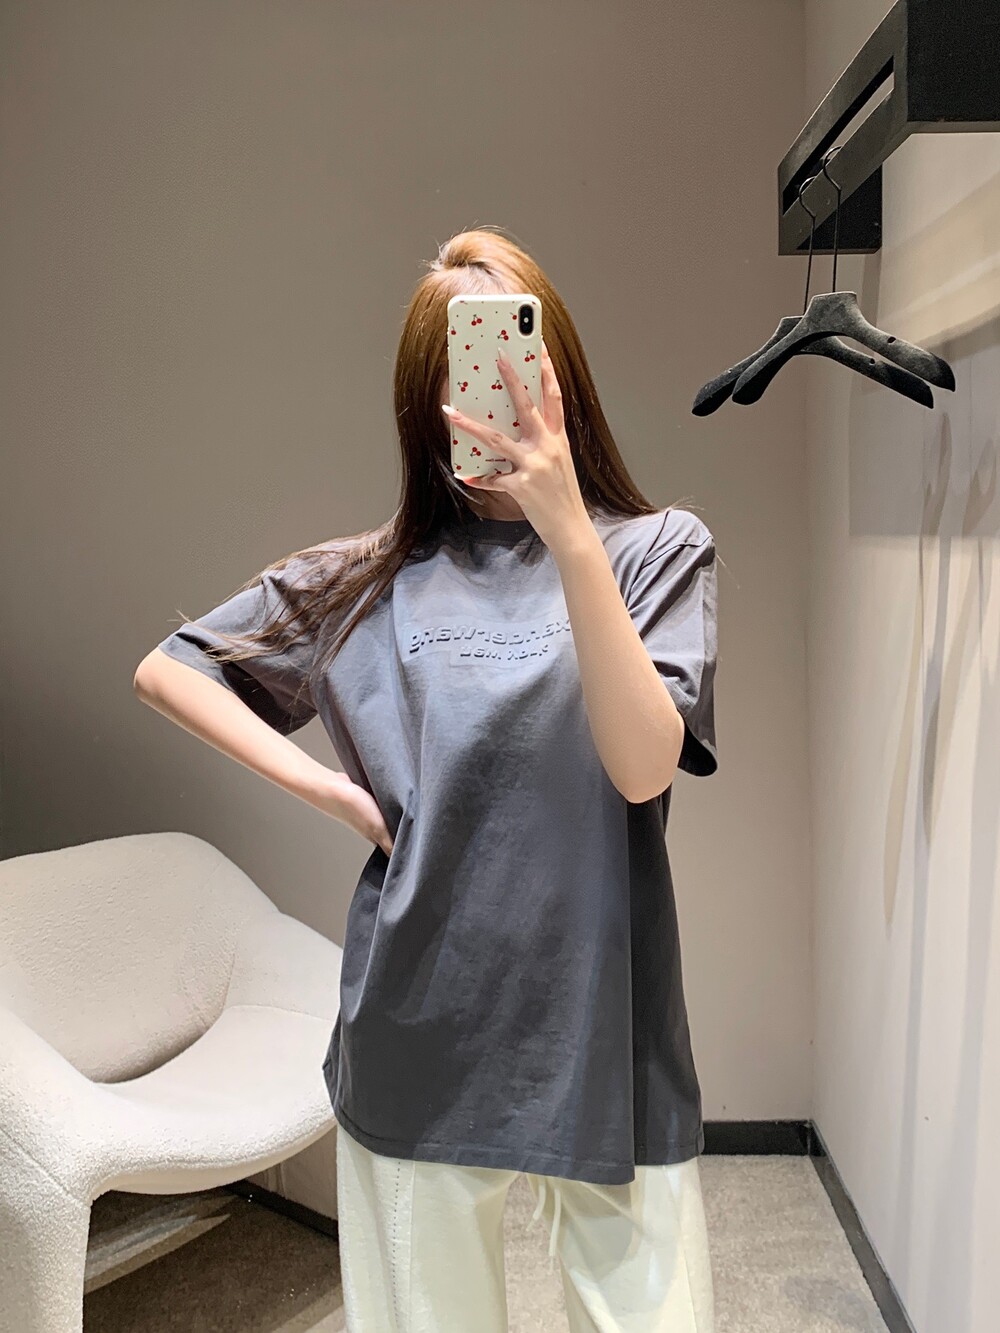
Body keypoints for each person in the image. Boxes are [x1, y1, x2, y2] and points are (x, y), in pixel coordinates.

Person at [135, 226, 720, 1332]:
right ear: (428, 402)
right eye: (465, 372)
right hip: (417, 1031)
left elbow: (643, 767)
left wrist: (568, 532)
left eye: (517, 358)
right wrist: (330, 792)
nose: (497, 393)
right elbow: (169, 669)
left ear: (561, 372)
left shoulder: (656, 552)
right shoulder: (368, 578)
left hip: (609, 1034)